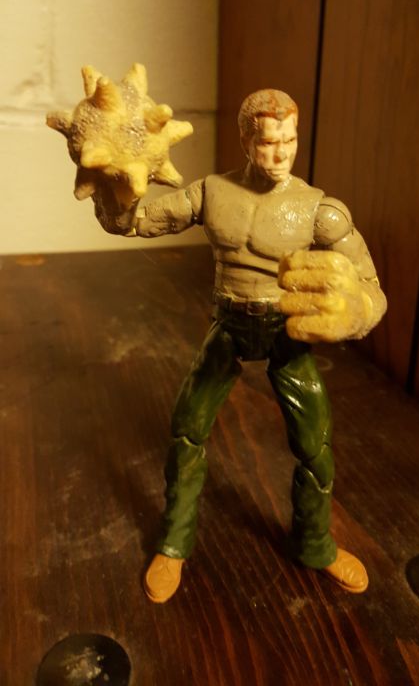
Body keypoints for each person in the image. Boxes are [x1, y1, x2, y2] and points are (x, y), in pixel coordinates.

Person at [96, 88, 387, 604]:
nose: (281, 153)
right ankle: (174, 542)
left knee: (315, 444)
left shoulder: (319, 211)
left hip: (285, 330)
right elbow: (133, 223)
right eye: (269, 143)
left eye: (289, 141)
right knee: (187, 430)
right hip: (229, 324)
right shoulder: (212, 193)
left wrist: (358, 311)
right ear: (247, 142)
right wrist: (115, 183)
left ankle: (315, 544)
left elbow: (371, 288)